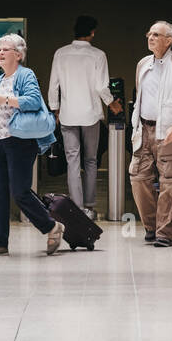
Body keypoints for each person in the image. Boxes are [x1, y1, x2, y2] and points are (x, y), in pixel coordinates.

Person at [0, 34, 62, 256]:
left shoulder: (25, 75)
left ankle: (52, 226)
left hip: (19, 142)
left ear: (19, 54)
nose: (0, 53)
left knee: (20, 191)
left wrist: (3, 100)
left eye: (6, 49)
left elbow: (33, 101)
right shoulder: (0, 79)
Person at [129, 20, 172, 247]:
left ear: (169, 40)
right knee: (138, 178)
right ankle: (151, 226)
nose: (151, 37)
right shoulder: (142, 64)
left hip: (168, 132)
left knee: (171, 183)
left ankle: (164, 233)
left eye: (157, 34)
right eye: (150, 33)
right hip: (144, 130)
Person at [48, 15, 119, 221]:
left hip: (68, 115)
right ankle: (89, 206)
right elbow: (101, 86)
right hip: (91, 115)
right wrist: (111, 103)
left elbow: (54, 85)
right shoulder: (98, 55)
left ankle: (76, 207)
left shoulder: (60, 54)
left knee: (72, 161)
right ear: (93, 32)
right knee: (90, 160)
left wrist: (56, 109)